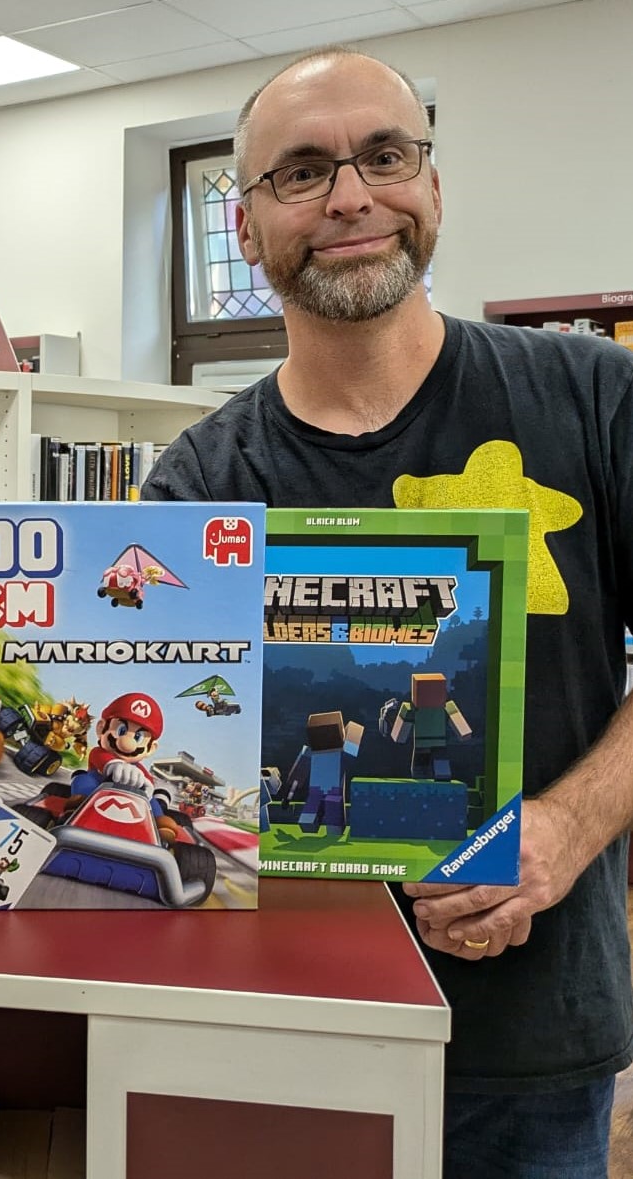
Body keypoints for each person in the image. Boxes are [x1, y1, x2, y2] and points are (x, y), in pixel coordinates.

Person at [142, 46, 633, 1177]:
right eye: (300, 171)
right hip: (268, 1033)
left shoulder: (590, 398)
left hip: (530, 1046)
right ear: (247, 229)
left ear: (432, 186)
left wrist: (562, 830)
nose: (351, 196)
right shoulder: (195, 486)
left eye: (384, 155)